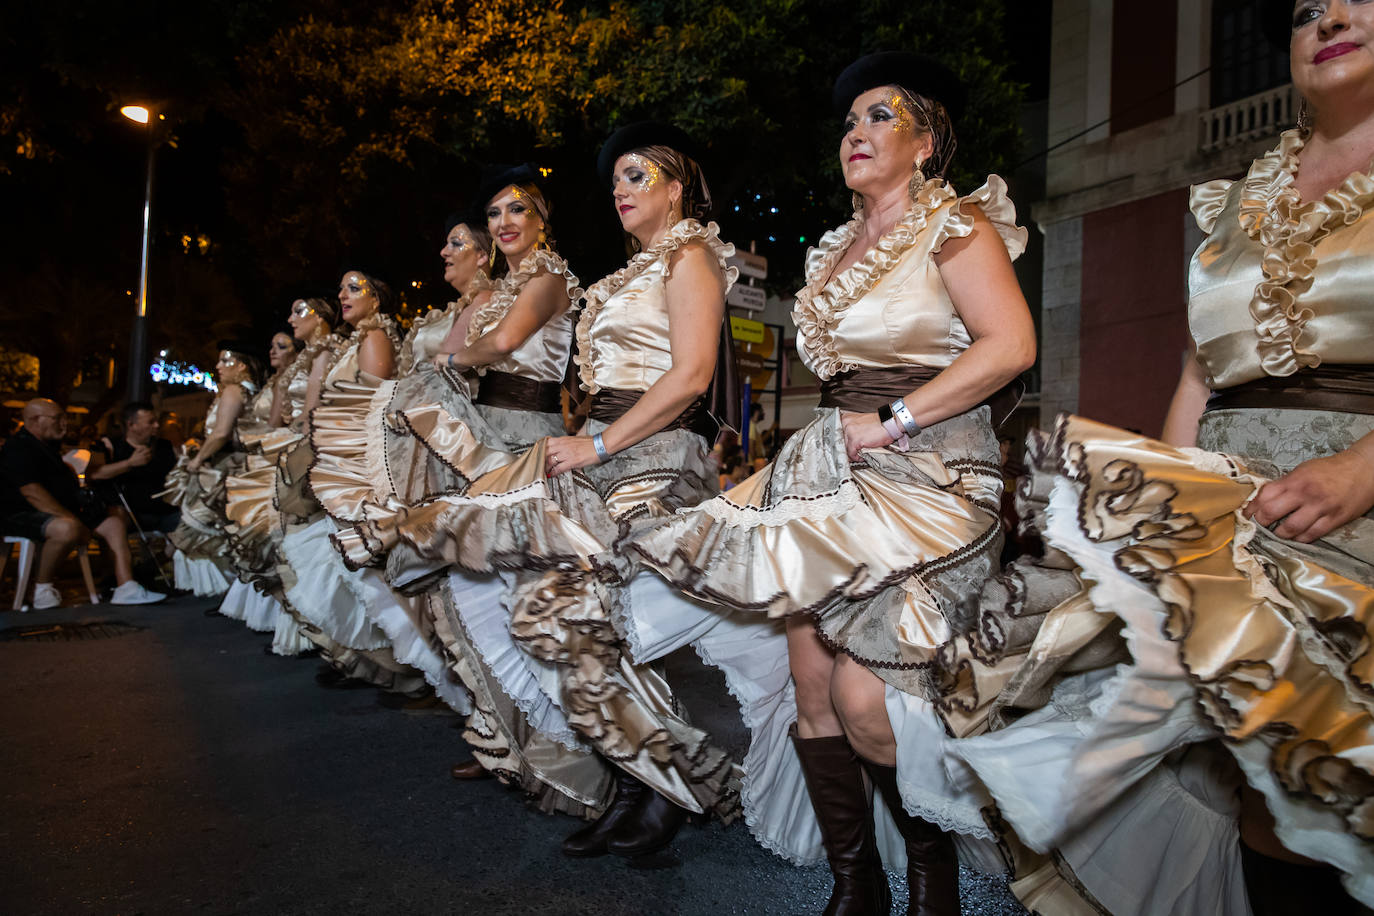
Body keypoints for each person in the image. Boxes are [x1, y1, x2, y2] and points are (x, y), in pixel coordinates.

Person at [956, 4, 1374, 913]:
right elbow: (1198, 372)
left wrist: (1358, 470)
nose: (1329, 16)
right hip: (1228, 508)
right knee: (1243, 787)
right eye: (1305, 9)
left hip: (1355, 507)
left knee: (1317, 783)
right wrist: (1148, 516)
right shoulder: (1238, 198)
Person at [623, 54, 1039, 914]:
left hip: (930, 472)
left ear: (927, 144)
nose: (856, 132)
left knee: (867, 697)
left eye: (881, 117)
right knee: (813, 689)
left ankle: (933, 881)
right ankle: (858, 884)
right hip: (831, 470)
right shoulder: (833, 251)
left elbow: (1009, 348)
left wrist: (894, 425)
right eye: (849, 121)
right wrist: (796, 455)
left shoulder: (956, 228)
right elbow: (839, 382)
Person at [325, 181, 609, 807]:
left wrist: (442, 368)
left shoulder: (552, 277)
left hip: (520, 443)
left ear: (543, 220)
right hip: (477, 438)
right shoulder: (498, 289)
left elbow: (502, 345)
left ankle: (574, 761)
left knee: (528, 606)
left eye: (518, 210)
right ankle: (506, 738)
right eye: (495, 213)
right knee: (470, 603)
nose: (505, 221)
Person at [0, 398, 165, 607]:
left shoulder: (48, 446)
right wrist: (70, 518)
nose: (64, 424)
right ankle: (41, 588)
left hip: (62, 509)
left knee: (114, 522)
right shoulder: (19, 447)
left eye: (64, 418)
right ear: (35, 420)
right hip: (22, 513)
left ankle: (126, 586)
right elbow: (32, 492)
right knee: (66, 529)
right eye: (57, 418)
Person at [161, 345, 261, 597]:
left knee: (198, 523)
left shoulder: (233, 391)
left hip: (222, 468)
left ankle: (223, 589)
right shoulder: (251, 391)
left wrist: (198, 460)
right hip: (240, 465)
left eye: (225, 360)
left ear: (241, 365)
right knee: (225, 527)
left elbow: (221, 433)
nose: (218, 367)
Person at [90, 401, 179, 535]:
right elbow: (93, 473)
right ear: (132, 425)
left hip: (166, 510)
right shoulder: (110, 445)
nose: (157, 425)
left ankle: (166, 554)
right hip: (130, 512)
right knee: (115, 521)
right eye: (151, 422)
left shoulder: (165, 446)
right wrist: (129, 463)